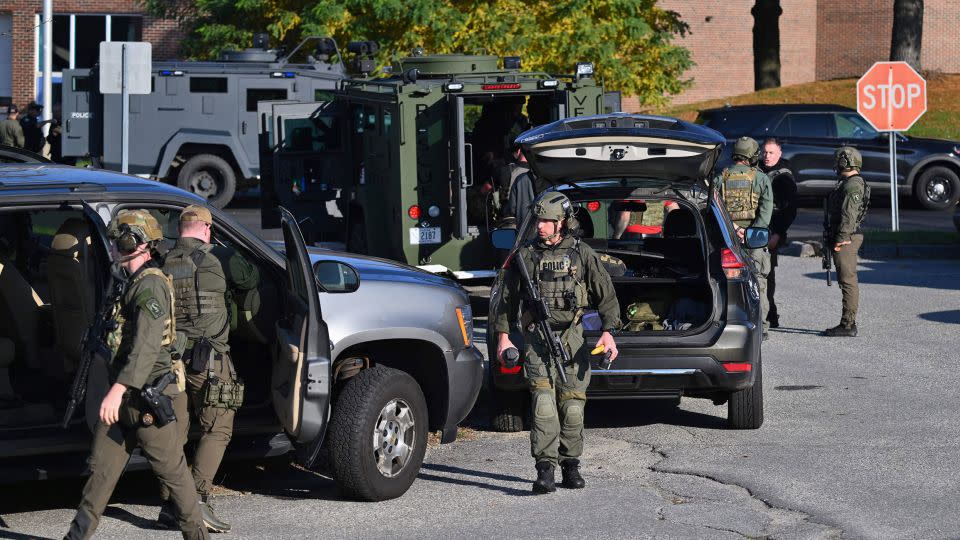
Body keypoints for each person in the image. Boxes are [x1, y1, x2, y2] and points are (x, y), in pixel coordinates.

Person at [65, 210, 208, 540]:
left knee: (175, 478)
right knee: (99, 473)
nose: (113, 245)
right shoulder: (128, 283)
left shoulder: (151, 286)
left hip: (147, 398)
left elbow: (145, 349)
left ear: (135, 242)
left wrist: (116, 390)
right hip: (126, 398)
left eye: (118, 239)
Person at [493, 192, 620, 494]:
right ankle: (545, 469)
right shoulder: (524, 256)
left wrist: (608, 331)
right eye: (538, 220)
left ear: (562, 222)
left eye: (548, 221)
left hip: (572, 336)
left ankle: (571, 464)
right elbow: (505, 301)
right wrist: (502, 337)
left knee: (573, 406)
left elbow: (606, 294)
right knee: (543, 406)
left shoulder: (581, 253)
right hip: (537, 337)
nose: (541, 226)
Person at [158, 204, 259, 532]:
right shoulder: (221, 257)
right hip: (210, 357)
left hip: (172, 360)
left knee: (177, 431)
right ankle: (197, 499)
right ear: (205, 229)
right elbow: (251, 278)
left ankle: (170, 505)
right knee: (218, 427)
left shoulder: (163, 261)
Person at [715, 136, 773, 339]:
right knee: (759, 283)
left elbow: (712, 209)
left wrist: (733, 230)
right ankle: (762, 327)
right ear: (752, 155)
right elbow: (765, 215)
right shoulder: (761, 178)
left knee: (727, 282)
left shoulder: (720, 177)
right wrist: (748, 233)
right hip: (754, 239)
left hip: (727, 239)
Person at [823, 146, 869, 337]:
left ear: (844, 161)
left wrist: (841, 238)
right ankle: (847, 322)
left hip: (847, 238)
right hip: (844, 236)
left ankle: (848, 324)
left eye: (838, 160)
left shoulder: (853, 184)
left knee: (848, 280)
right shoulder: (847, 182)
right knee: (846, 280)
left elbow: (848, 215)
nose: (836, 164)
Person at [759, 138, 797, 328]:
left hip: (772, 231)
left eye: (771, 153)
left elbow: (790, 211)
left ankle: (770, 314)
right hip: (755, 229)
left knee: (767, 273)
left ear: (779, 154)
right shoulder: (756, 169)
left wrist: (778, 234)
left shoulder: (784, 177)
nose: (767, 156)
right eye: (765, 152)